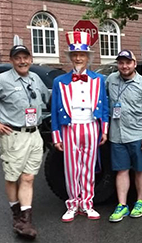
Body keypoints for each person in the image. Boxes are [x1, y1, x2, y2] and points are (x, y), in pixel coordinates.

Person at [0, 45, 50, 239]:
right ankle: (17, 215)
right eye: (18, 58)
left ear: (30, 59)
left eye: (25, 57)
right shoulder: (1, 81)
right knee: (13, 177)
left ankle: (26, 219)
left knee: (29, 177)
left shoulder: (35, 79)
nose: (22, 61)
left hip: (34, 135)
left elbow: (47, 99)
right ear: (12, 60)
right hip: (13, 136)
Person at [51, 31, 109, 223]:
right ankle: (72, 204)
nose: (78, 58)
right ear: (70, 57)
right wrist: (56, 136)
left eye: (81, 55)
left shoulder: (98, 80)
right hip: (70, 127)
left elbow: (104, 105)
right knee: (71, 168)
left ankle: (87, 203)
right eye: (74, 55)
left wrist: (104, 130)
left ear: (87, 57)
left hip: (91, 126)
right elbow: (54, 111)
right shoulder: (59, 82)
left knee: (88, 167)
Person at [106, 49, 142, 222]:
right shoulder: (110, 80)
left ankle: (140, 201)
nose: (124, 66)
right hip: (116, 135)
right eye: (121, 62)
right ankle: (122, 205)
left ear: (134, 64)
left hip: (137, 134)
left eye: (128, 62)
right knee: (121, 170)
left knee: (140, 169)